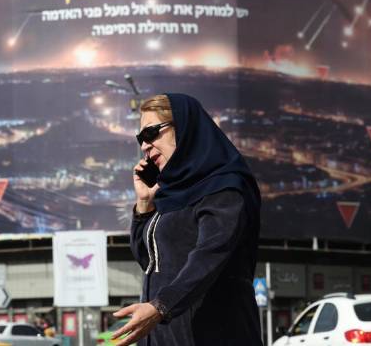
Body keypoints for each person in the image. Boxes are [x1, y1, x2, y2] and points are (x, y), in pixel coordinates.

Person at [112, 93, 263, 346]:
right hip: (167, 336)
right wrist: (145, 205)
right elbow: (148, 261)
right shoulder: (170, 193)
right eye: (141, 139)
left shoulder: (223, 188)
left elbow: (210, 254)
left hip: (215, 335)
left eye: (150, 134)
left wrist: (160, 306)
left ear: (183, 129)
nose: (144, 146)